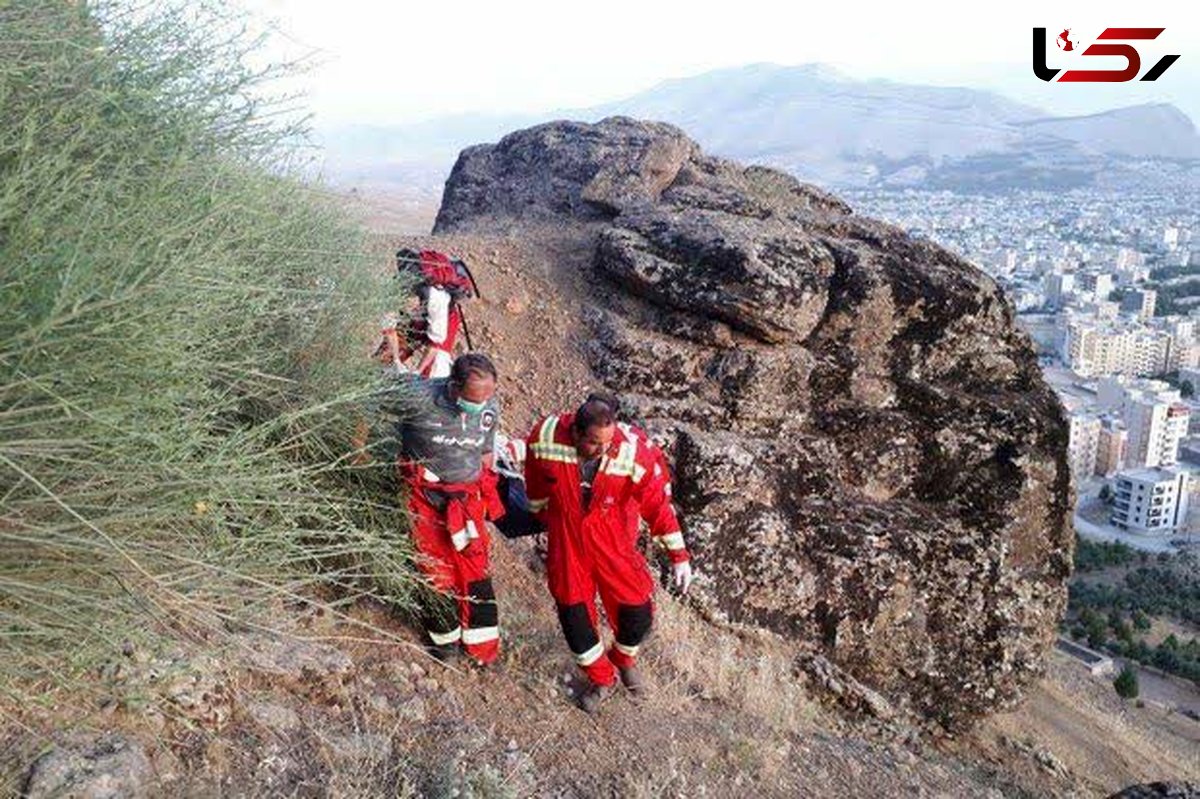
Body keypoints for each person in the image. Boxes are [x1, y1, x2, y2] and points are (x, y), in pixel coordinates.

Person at [523, 396, 692, 712]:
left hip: (612, 536)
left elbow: (657, 504)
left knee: (638, 612)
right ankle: (602, 678)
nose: (604, 450)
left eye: (608, 442)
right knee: (573, 615)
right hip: (568, 537)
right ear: (575, 432)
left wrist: (678, 555)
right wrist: (542, 514)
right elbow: (535, 478)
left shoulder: (631, 451)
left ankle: (624, 659)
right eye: (594, 443)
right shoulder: (545, 436)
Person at [396, 353, 505, 664]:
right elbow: (369, 405)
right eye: (475, 398)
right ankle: (445, 643)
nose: (482, 404)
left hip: (467, 502)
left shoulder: (488, 408)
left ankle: (481, 649)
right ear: (454, 386)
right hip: (425, 498)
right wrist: (363, 452)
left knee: (475, 569)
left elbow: (485, 452)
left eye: (488, 396)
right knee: (433, 569)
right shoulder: (418, 397)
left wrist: (483, 498)